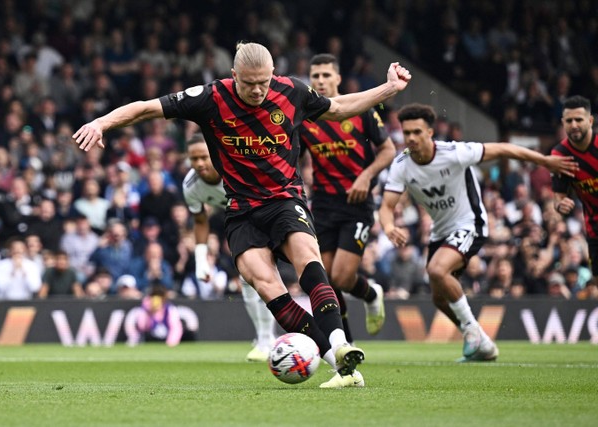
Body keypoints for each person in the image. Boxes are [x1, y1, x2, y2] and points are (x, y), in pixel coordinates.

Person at [73, 42, 412, 388]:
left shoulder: (292, 91)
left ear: (273, 74)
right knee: (267, 287)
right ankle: (339, 366)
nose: (257, 90)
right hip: (241, 210)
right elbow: (147, 108)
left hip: (284, 199)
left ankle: (341, 345)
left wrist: (389, 88)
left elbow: (339, 107)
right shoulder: (210, 97)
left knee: (309, 260)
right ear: (234, 75)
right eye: (249, 83)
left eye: (263, 82)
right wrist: (102, 123)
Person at [378, 103, 577, 362]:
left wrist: (545, 161)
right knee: (439, 298)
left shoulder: (455, 152)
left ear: (430, 132)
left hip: (469, 223)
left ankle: (473, 332)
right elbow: (386, 206)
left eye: (417, 132)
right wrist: (390, 226)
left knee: (437, 270)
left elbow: (504, 149)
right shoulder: (401, 164)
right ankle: (480, 341)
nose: (411, 138)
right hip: (441, 230)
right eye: (407, 133)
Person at [300, 53, 393, 342]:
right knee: (326, 280)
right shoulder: (304, 118)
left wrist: (366, 176)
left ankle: (370, 293)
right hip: (324, 204)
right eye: (316, 76)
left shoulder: (359, 109)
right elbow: (296, 159)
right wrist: (305, 174)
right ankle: (346, 341)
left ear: (338, 78)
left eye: (327, 75)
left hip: (356, 204)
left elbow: (388, 150)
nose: (321, 81)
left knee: (340, 276)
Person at [182, 133, 277, 362]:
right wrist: (201, 259)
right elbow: (201, 221)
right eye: (194, 159)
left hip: (269, 215)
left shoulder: (233, 168)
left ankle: (270, 339)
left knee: (264, 278)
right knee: (247, 281)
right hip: (241, 225)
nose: (200, 164)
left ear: (213, 152)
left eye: (204, 157)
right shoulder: (191, 186)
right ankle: (265, 338)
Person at [551, 95, 598, 286]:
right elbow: (558, 197)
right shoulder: (560, 155)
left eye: (579, 119)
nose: (574, 125)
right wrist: (560, 204)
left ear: (590, 120)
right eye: (569, 120)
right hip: (595, 229)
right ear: (563, 123)